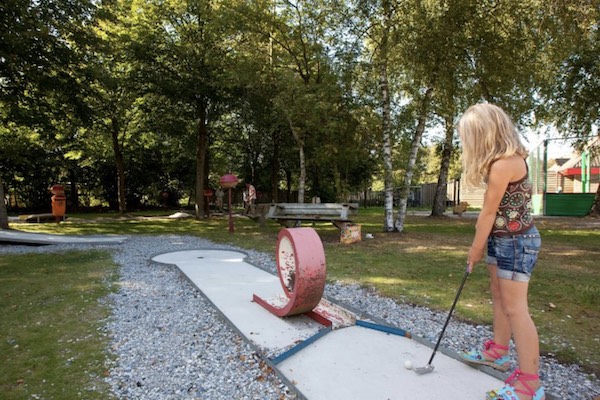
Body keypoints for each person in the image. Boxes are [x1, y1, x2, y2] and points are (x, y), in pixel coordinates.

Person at [457, 104, 544, 400]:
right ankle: (499, 351)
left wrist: (474, 249)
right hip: (504, 238)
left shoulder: (504, 164)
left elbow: (488, 213)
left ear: (484, 135)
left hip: (516, 242)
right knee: (499, 296)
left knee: (516, 308)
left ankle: (530, 384)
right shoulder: (506, 160)